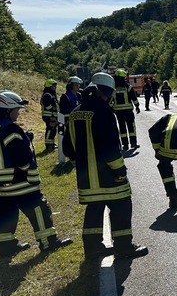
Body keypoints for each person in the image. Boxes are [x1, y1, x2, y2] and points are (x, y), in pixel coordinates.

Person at [0, 90, 73, 258]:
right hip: (20, 182)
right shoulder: (10, 129)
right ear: (7, 110)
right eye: (16, 109)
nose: (18, 113)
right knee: (39, 210)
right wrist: (27, 149)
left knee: (5, 215)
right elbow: (21, 157)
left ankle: (6, 247)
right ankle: (48, 242)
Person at [63, 72, 148, 260]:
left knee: (94, 211)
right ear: (104, 93)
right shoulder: (104, 112)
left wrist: (81, 165)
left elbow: (68, 147)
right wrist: (120, 171)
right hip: (108, 176)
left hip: (86, 178)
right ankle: (124, 248)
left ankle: (92, 249)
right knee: (122, 207)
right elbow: (110, 147)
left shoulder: (75, 112)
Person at [112, 69, 141, 151]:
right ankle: (133, 143)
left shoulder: (113, 88)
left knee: (122, 128)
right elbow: (134, 98)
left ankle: (125, 145)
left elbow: (111, 100)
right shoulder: (128, 87)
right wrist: (137, 106)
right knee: (131, 127)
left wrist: (111, 109)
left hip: (118, 111)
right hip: (128, 110)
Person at [41, 79, 59, 151]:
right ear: (49, 86)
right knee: (50, 130)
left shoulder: (51, 94)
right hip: (49, 115)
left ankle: (51, 144)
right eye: (54, 86)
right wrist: (53, 109)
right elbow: (46, 104)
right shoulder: (47, 94)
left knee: (53, 130)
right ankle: (48, 146)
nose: (55, 87)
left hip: (52, 115)